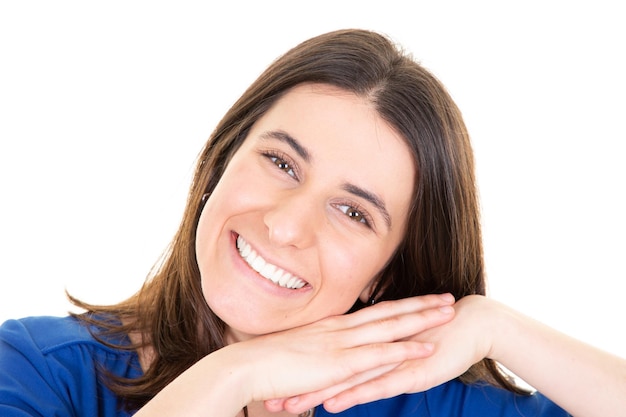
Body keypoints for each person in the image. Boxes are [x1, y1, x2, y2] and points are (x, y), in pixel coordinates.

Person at [0, 28, 624, 417]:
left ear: (387, 274)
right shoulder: (33, 367)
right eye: (280, 162)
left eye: (353, 212)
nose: (289, 225)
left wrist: (498, 326)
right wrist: (231, 375)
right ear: (220, 162)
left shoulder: (413, 401)